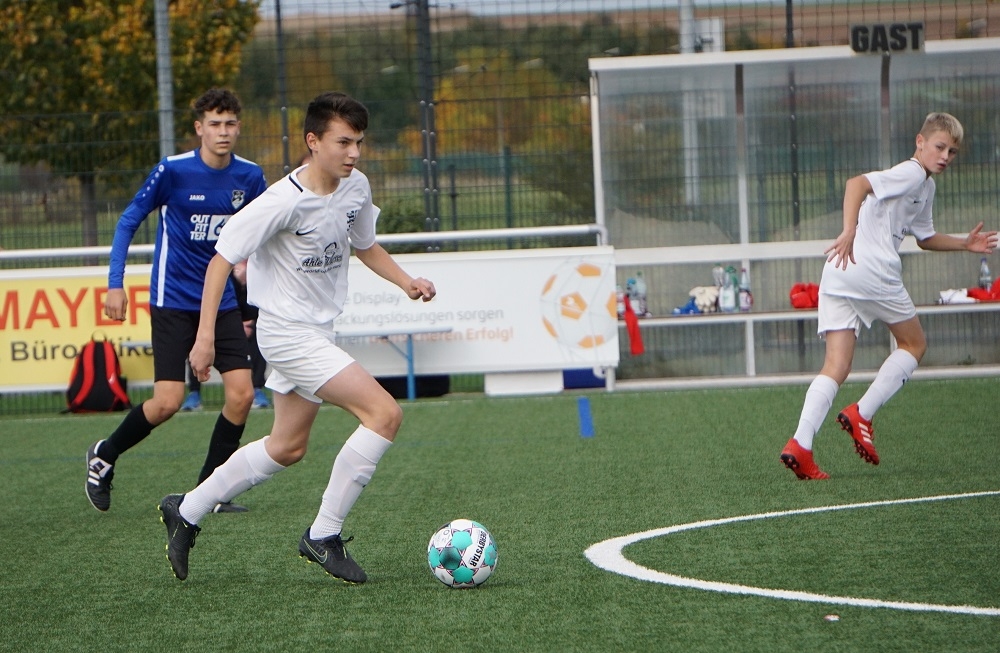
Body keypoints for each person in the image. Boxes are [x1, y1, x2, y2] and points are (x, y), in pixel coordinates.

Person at [157, 92, 436, 583]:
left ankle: (187, 509)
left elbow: (365, 245)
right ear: (313, 141)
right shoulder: (281, 201)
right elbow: (220, 262)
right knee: (384, 414)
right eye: (343, 142)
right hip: (286, 334)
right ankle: (323, 535)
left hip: (317, 331)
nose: (353, 153)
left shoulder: (356, 186)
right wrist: (204, 339)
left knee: (286, 447)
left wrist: (406, 281)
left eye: (359, 142)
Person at [780, 112, 997, 480]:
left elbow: (925, 238)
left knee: (836, 366)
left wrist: (964, 243)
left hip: (839, 271)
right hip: (872, 269)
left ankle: (800, 444)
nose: (945, 156)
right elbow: (856, 184)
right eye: (939, 147)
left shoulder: (925, 186)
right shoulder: (912, 172)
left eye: (952, 151)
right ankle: (861, 413)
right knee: (914, 345)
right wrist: (849, 230)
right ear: (920, 142)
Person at [86, 89, 267, 512]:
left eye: (230, 124)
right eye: (214, 124)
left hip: (221, 302)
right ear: (199, 128)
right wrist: (115, 283)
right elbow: (128, 221)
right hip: (172, 301)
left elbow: (267, 229)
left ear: (239, 128)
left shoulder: (250, 176)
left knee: (241, 395)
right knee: (167, 402)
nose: (223, 131)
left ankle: (208, 492)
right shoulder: (172, 170)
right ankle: (104, 455)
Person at [181, 262, 271, 411]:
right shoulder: (223, 265)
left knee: (259, 334)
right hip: (223, 318)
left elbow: (260, 305)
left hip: (250, 320)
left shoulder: (260, 266)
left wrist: (245, 284)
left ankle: (257, 389)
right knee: (199, 341)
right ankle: (194, 393)